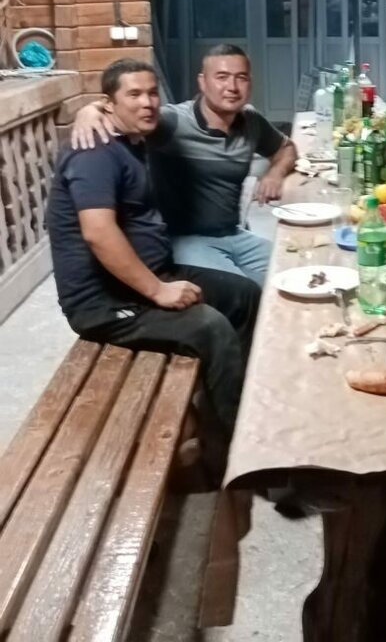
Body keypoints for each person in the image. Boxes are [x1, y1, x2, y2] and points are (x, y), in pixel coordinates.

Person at [47, 58, 260, 435]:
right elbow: (98, 232)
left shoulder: (133, 138)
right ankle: (232, 447)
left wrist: (91, 108)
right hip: (104, 303)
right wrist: (158, 290)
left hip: (152, 275)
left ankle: (229, 407)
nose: (146, 103)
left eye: (151, 93)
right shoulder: (94, 152)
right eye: (134, 94)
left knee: (244, 295)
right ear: (110, 104)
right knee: (211, 328)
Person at [71, 44, 297, 286]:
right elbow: (127, 114)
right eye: (221, 77)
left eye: (241, 78)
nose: (232, 87)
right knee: (245, 294)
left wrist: (275, 173)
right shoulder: (172, 122)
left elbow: (287, 149)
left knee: (296, 271)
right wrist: (90, 110)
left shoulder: (251, 120)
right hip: (184, 240)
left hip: (234, 233)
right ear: (202, 82)